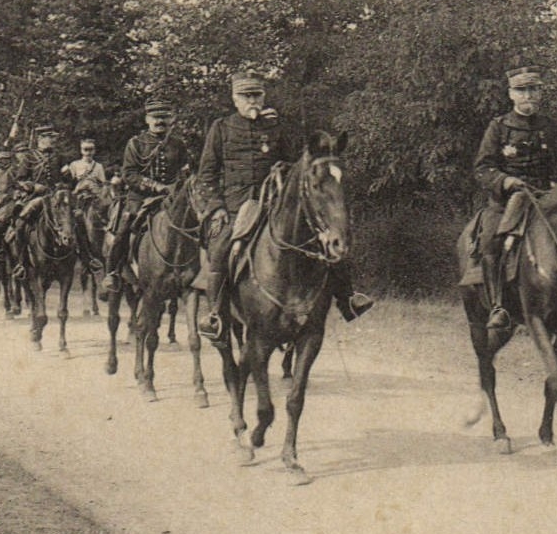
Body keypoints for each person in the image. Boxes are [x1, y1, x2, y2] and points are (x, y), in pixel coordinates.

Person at [195, 71, 372, 341]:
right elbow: (206, 175)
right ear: (234, 99)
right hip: (237, 206)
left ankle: (348, 299)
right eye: (246, 96)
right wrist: (217, 206)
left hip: (277, 203)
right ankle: (216, 315)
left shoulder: (277, 128)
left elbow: (299, 166)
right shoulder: (221, 128)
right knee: (221, 248)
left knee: (325, 239)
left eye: (257, 95)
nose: (252, 100)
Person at [470, 65, 557, 332]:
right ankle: (498, 306)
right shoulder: (499, 127)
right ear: (511, 94)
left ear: (540, 94)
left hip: (546, 199)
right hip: (508, 201)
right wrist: (505, 181)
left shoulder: (550, 128)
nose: (528, 95)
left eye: (533, 90)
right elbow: (482, 169)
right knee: (491, 241)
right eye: (522, 90)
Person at [100, 97, 190, 297]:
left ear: (172, 119)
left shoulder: (178, 144)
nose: (160, 122)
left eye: (165, 117)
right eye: (155, 117)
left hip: (171, 198)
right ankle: (112, 272)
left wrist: (178, 186)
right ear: (147, 119)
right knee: (125, 226)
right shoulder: (136, 144)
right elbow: (129, 174)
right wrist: (156, 186)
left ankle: (194, 272)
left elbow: (184, 172)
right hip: (139, 197)